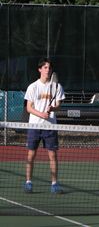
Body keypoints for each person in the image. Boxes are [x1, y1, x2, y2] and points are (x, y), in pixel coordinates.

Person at [23, 58, 65, 194]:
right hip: (34, 126)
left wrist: (52, 109)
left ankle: (54, 184)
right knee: (31, 155)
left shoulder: (57, 87)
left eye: (49, 68)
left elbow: (58, 106)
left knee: (52, 156)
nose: (48, 70)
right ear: (40, 69)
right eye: (45, 67)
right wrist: (41, 114)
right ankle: (28, 182)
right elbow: (28, 108)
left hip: (50, 127)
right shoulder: (33, 87)